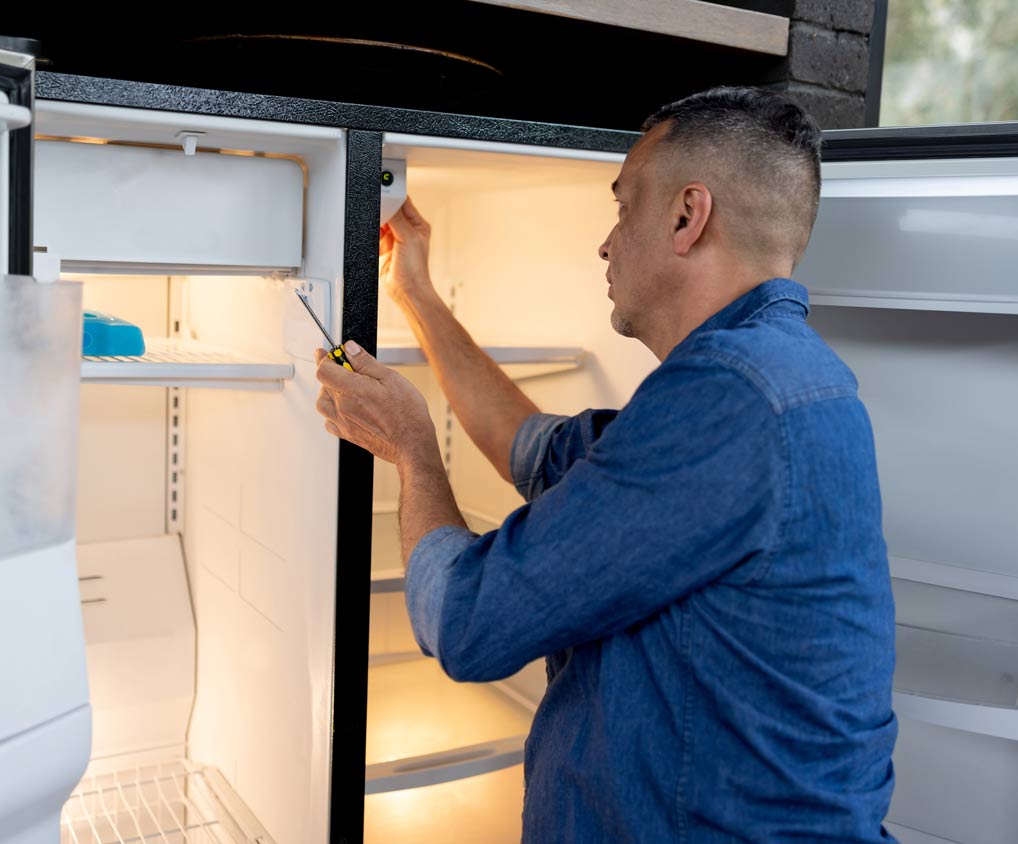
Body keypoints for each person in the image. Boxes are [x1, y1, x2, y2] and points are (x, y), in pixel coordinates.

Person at [314, 86, 897, 842]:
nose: (606, 242)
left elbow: (467, 621)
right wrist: (418, 295)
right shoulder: (782, 379)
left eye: (625, 209)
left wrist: (412, 453)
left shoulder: (731, 397)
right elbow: (538, 448)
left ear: (689, 216)